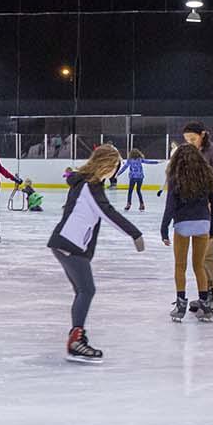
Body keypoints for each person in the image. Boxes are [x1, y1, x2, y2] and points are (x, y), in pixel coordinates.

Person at [46, 144, 145, 364]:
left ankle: (77, 335)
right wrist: (135, 234)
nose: (115, 172)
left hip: (64, 243)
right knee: (86, 290)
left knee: (83, 291)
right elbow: (108, 213)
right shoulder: (91, 186)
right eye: (116, 167)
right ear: (107, 165)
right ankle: (76, 340)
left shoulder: (83, 182)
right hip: (71, 245)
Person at [160, 143, 213, 323]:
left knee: (180, 265)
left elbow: (170, 205)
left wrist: (164, 228)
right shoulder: (206, 176)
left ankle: (180, 305)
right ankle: (204, 303)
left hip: (183, 225)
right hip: (203, 224)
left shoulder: (175, 177)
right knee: (199, 266)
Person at [182, 122, 213, 315]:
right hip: (198, 210)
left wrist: (208, 209)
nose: (190, 143)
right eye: (187, 140)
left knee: (208, 251)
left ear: (203, 135)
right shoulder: (192, 153)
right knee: (201, 254)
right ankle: (208, 292)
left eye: (193, 139)